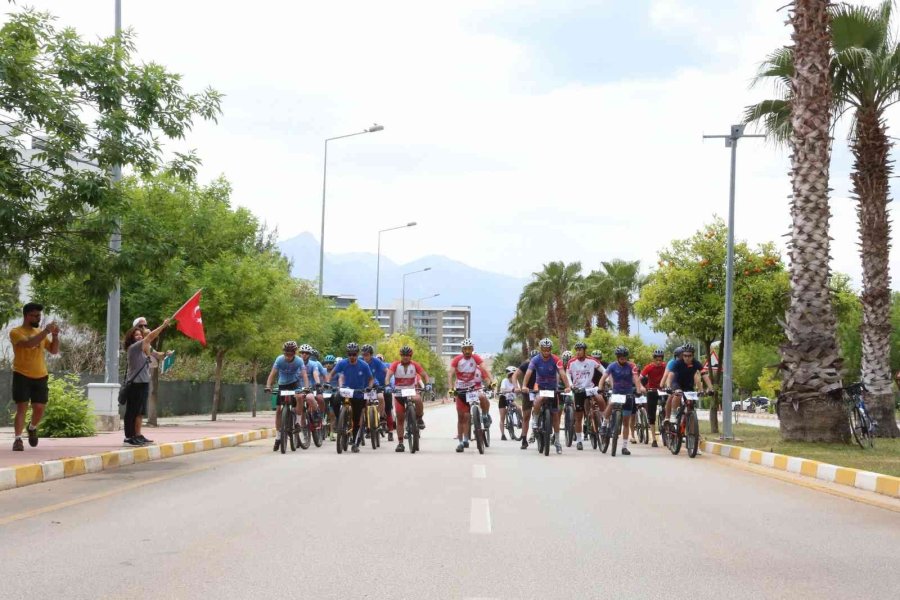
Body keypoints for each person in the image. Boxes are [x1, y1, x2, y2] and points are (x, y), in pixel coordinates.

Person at [9, 302, 59, 451]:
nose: (38, 318)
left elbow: (54, 351)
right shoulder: (16, 332)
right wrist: (46, 331)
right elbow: (29, 344)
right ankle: (18, 440)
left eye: (39, 315)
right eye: (35, 315)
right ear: (27, 316)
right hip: (21, 374)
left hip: (40, 375)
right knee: (22, 407)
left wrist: (55, 336)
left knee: (39, 407)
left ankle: (32, 428)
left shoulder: (40, 333)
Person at [122, 319, 171, 446]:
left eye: (140, 334)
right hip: (135, 384)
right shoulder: (133, 348)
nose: (139, 335)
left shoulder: (144, 348)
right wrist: (163, 325)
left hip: (144, 383)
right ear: (131, 337)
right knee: (132, 411)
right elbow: (150, 337)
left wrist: (167, 354)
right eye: (136, 334)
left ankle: (137, 435)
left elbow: (157, 354)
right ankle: (129, 437)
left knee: (140, 412)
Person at [521, 338, 572, 454]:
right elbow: (528, 372)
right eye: (544, 349)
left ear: (551, 349)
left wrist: (567, 386)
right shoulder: (535, 359)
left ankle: (557, 441)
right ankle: (535, 421)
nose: (546, 352)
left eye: (548, 349)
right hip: (541, 387)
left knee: (555, 416)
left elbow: (562, 373)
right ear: (540, 349)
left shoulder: (556, 359)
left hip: (552, 388)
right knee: (538, 399)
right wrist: (524, 385)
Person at [598, 346, 645, 456]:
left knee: (626, 422)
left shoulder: (632, 366)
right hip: (617, 392)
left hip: (628, 394)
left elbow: (636, 378)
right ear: (617, 357)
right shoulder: (612, 366)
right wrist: (600, 387)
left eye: (624, 356)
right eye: (620, 356)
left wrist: (638, 390)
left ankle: (624, 447)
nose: (622, 358)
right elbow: (603, 377)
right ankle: (604, 424)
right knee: (611, 403)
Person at [328, 342, 375, 453]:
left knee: (356, 419)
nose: (352, 357)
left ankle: (355, 443)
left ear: (357, 354)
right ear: (347, 354)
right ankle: (340, 420)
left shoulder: (364, 365)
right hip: (346, 390)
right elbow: (332, 374)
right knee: (335, 399)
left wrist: (369, 387)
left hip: (358, 393)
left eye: (354, 354)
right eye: (350, 354)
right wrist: (327, 382)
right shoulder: (342, 363)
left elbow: (371, 379)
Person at [264, 341, 311, 452]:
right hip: (282, 385)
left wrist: (306, 387)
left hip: (294, 384)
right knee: (278, 411)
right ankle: (278, 437)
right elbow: (272, 374)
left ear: (294, 353)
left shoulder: (299, 361)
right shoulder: (279, 359)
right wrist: (268, 386)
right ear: (284, 352)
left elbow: (304, 375)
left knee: (299, 397)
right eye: (286, 353)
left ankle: (298, 422)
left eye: (291, 353)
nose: (288, 356)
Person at [447, 338, 492, 452]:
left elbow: (485, 368)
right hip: (460, 390)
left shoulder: (475, 358)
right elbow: (450, 373)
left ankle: (467, 439)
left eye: (469, 349)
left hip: (472, 389)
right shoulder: (457, 359)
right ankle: (460, 442)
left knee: (467, 416)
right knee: (461, 417)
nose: (467, 351)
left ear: (472, 349)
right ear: (462, 350)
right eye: (465, 349)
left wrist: (492, 381)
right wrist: (451, 388)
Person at [386, 345, 430, 452]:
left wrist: (428, 384)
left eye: (408, 355)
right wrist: (387, 385)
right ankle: (400, 443)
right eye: (403, 355)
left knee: (418, 399)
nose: (405, 357)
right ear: (401, 355)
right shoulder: (395, 364)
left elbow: (425, 375)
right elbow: (388, 376)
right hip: (399, 392)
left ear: (411, 356)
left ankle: (419, 418)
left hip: (411, 390)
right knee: (400, 418)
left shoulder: (415, 365)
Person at [566, 342, 605, 450]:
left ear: (584, 351)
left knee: (600, 399)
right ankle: (579, 440)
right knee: (578, 417)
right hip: (578, 389)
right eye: (577, 350)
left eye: (580, 350)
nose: (578, 352)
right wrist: (571, 385)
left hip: (590, 388)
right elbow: (567, 374)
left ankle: (604, 421)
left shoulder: (592, 360)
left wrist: (604, 382)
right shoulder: (571, 362)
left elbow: (604, 371)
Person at [665, 343, 714, 425]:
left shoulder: (696, 363)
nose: (687, 358)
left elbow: (704, 375)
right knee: (678, 394)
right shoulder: (677, 363)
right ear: (682, 355)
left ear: (693, 355)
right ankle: (673, 414)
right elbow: (670, 375)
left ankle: (692, 430)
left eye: (689, 356)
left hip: (688, 385)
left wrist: (711, 388)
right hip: (677, 383)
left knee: (690, 406)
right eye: (685, 355)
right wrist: (668, 386)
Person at [361, 344, 393, 439]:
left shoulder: (376, 361)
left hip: (375, 384)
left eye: (367, 355)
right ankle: (367, 425)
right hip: (363, 385)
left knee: (381, 398)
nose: (365, 357)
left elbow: (387, 371)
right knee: (365, 404)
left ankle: (379, 415)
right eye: (363, 355)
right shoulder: (359, 361)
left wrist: (388, 382)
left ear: (371, 355)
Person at [640, 349, 667, 447]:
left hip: (662, 389)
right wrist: (642, 387)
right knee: (651, 414)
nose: (659, 362)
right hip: (652, 390)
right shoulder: (649, 367)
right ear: (654, 359)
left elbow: (670, 374)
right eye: (657, 360)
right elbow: (639, 378)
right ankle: (654, 439)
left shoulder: (665, 366)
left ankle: (666, 420)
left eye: (660, 360)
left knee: (667, 405)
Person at [513, 350, 539, 448]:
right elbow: (515, 375)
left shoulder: (543, 364)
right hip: (528, 391)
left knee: (545, 410)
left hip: (540, 390)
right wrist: (516, 387)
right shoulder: (525, 365)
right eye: (532, 360)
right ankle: (524, 439)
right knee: (526, 416)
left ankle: (545, 432)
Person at [298, 344, 324, 433]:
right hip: (298, 388)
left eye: (306, 353)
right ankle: (302, 428)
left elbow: (315, 374)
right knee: (299, 409)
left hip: (310, 388)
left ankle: (317, 413)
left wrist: (318, 384)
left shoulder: (314, 364)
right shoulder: (296, 363)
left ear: (309, 354)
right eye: (302, 353)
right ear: (300, 353)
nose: (304, 354)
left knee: (312, 398)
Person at [498, 366, 518, 441]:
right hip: (503, 398)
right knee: (502, 417)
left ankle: (520, 421)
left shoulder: (516, 381)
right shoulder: (504, 381)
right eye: (512, 375)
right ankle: (502, 434)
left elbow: (518, 389)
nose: (513, 377)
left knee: (519, 408)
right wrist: (510, 390)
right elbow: (502, 390)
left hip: (511, 399)